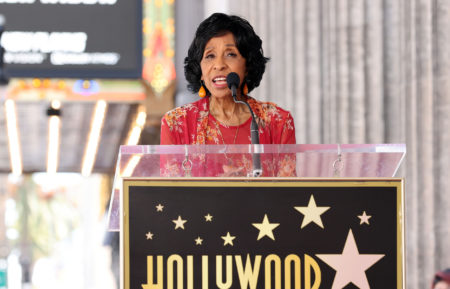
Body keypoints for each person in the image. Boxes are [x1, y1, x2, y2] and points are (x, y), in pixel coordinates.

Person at [160, 13, 296, 177]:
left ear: (247, 65)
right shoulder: (177, 124)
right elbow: (170, 196)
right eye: (210, 56)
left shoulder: (277, 122)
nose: (219, 65)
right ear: (200, 71)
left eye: (230, 54)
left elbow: (287, 196)